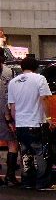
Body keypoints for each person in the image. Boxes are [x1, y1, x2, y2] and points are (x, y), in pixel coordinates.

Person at [7, 56, 56, 191]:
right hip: (36, 122)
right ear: (36, 67)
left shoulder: (13, 82)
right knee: (41, 153)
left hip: (20, 124)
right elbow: (44, 99)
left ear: (22, 67)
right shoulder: (40, 79)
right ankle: (43, 183)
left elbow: (12, 107)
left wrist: (15, 121)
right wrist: (48, 118)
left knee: (25, 154)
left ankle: (27, 181)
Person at [0, 49, 19, 186]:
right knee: (12, 142)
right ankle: (10, 176)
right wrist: (9, 118)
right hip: (3, 114)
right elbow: (6, 98)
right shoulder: (8, 73)